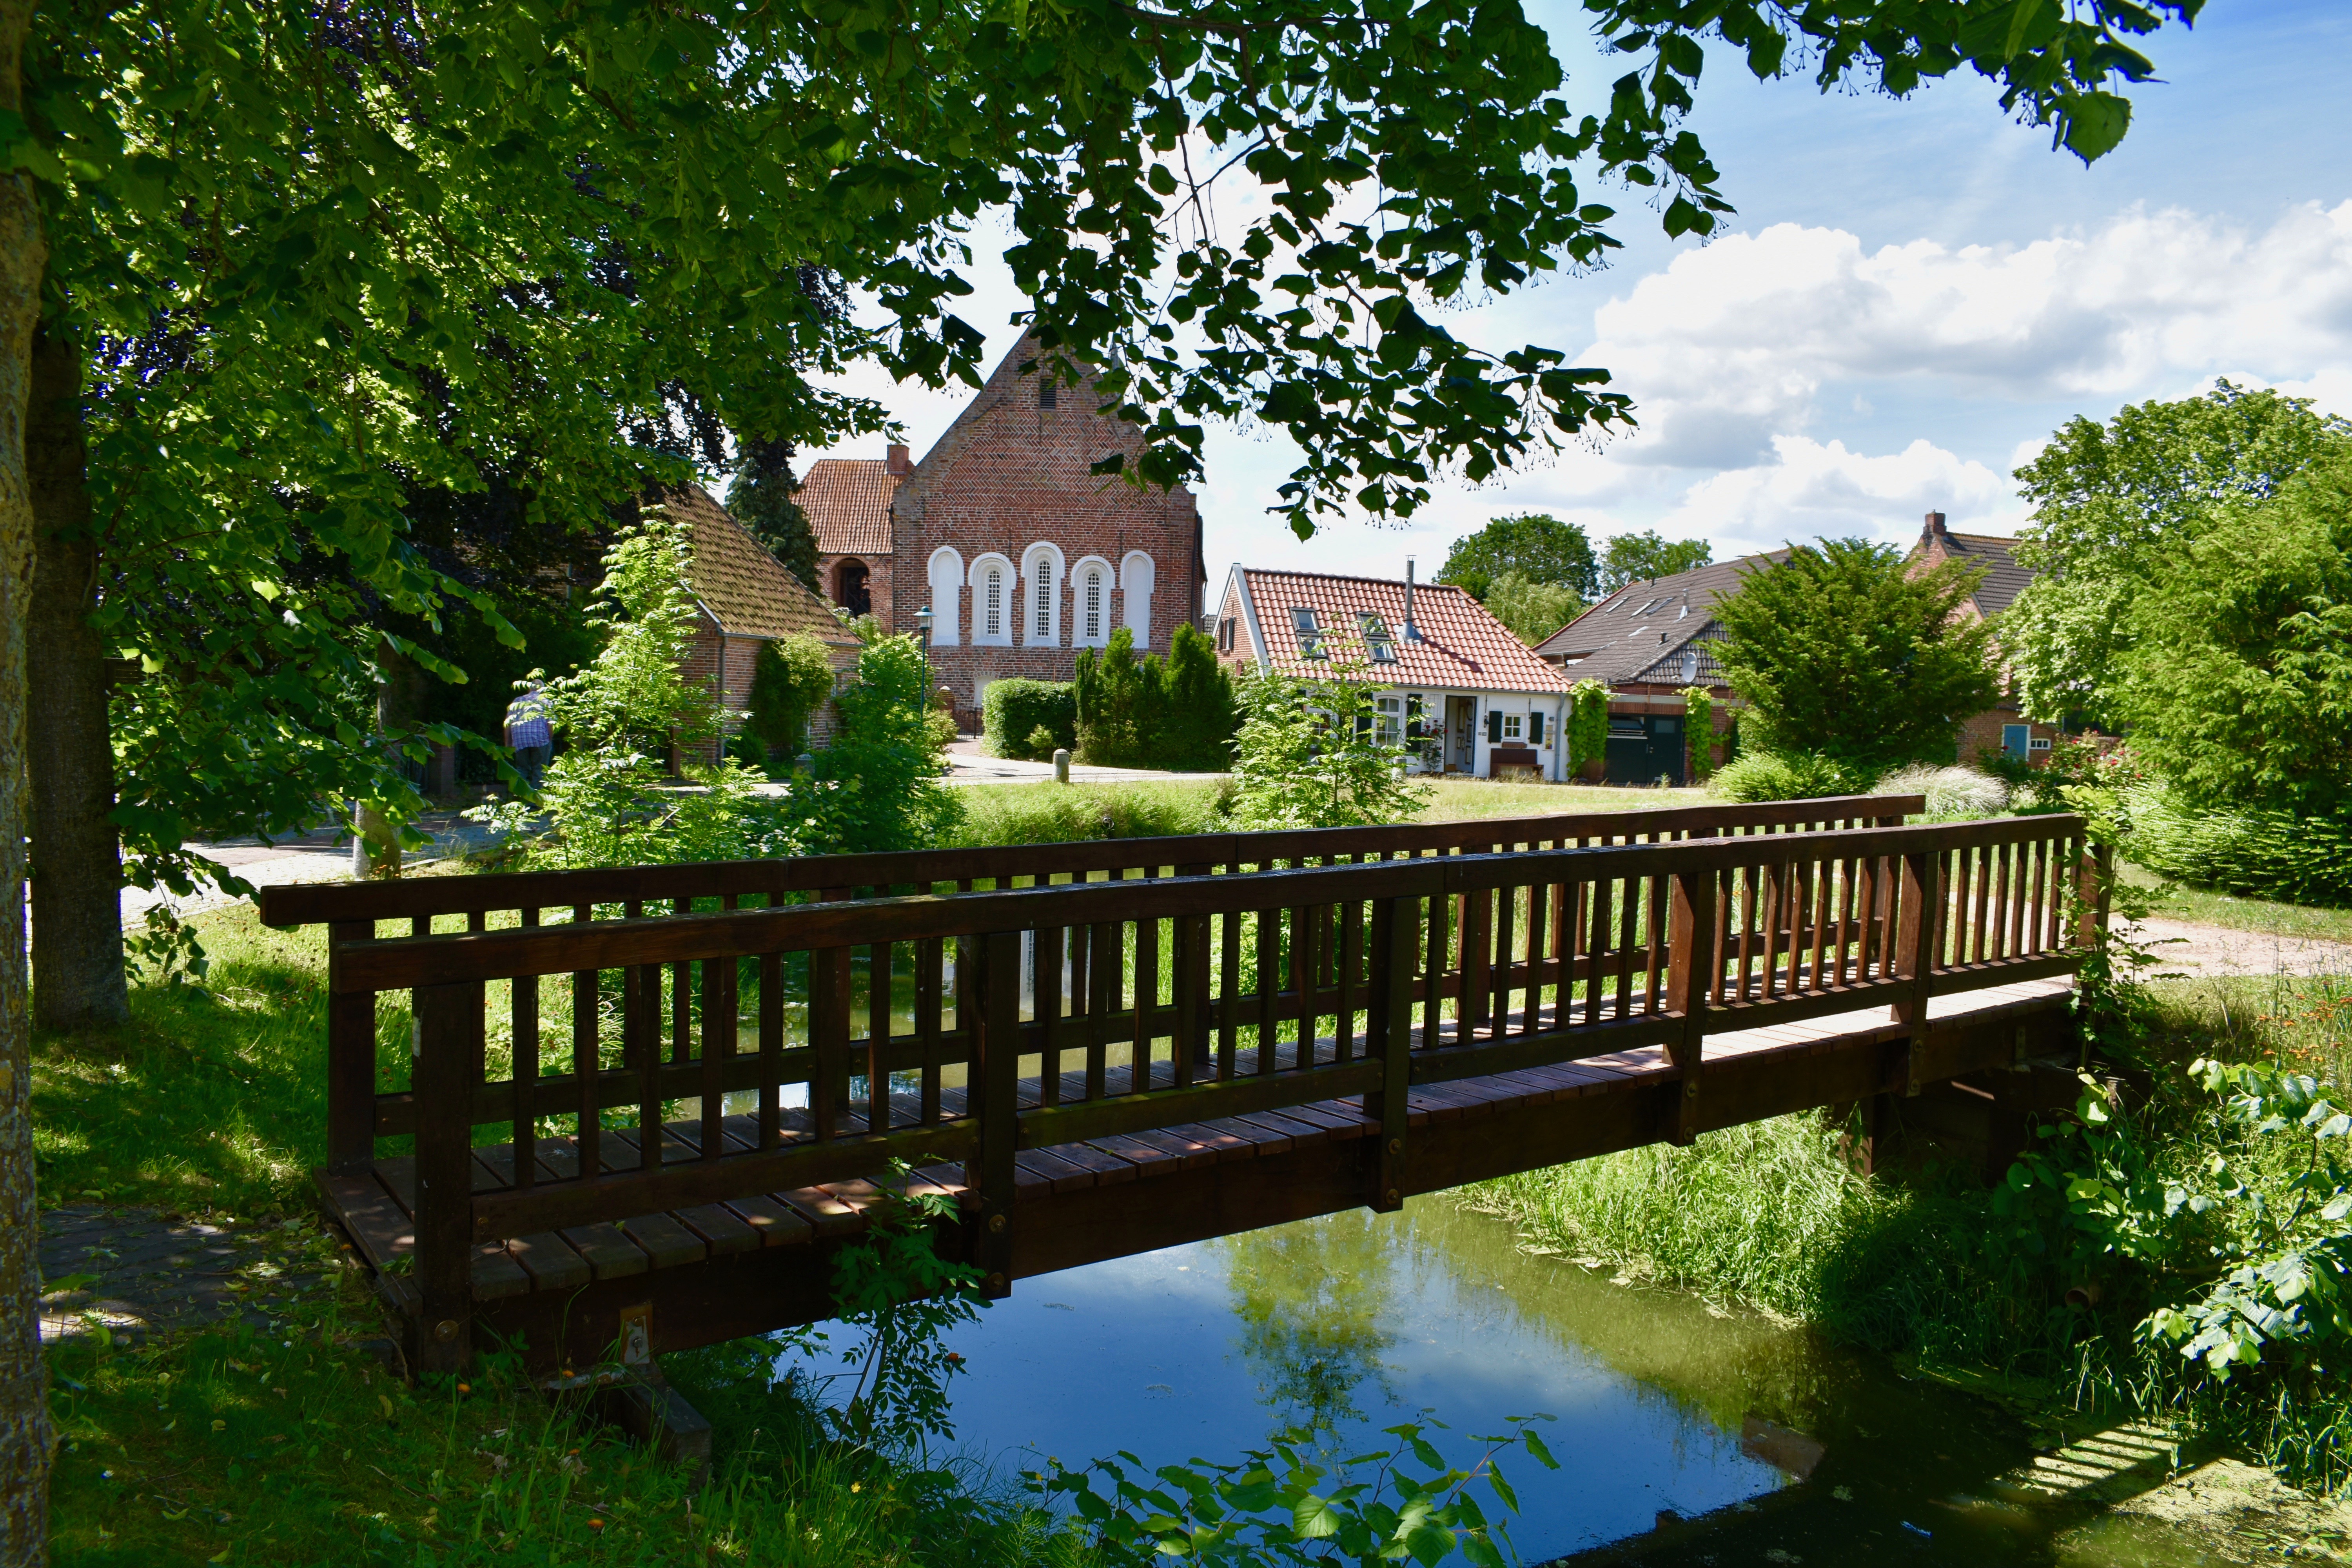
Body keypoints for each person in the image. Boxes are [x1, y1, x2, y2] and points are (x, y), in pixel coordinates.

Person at [503, 681, 553, 791]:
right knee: (539, 770)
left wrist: (508, 743)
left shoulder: (517, 701)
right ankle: (534, 802)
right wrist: (550, 740)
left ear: (529, 689)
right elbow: (551, 724)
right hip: (540, 739)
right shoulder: (546, 701)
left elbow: (507, 723)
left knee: (522, 769)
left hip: (520, 740)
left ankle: (518, 799)